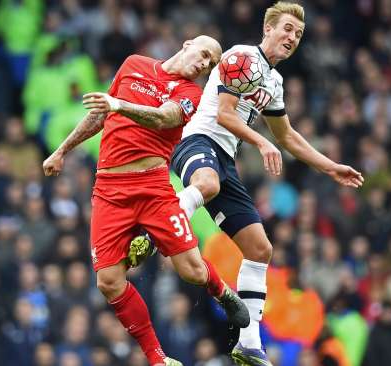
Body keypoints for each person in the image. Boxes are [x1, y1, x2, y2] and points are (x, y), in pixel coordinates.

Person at [114, 2, 364, 365]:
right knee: (207, 182)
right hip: (196, 140)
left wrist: (330, 167)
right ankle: (153, 234)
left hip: (225, 158)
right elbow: (225, 114)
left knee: (260, 249)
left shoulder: (274, 82)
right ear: (268, 29)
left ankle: (248, 343)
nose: (292, 37)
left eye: (298, 33)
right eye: (287, 29)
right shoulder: (241, 58)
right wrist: (261, 141)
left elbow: (288, 136)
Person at [43, 35, 248, 366]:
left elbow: (163, 118)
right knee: (108, 282)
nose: (203, 64)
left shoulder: (189, 94)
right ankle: (158, 358)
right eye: (204, 55)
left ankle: (221, 290)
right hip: (109, 189)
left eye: (210, 66)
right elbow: (99, 114)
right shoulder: (134, 64)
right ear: (187, 43)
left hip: (153, 188)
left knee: (192, 271)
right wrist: (62, 150)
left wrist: (120, 105)